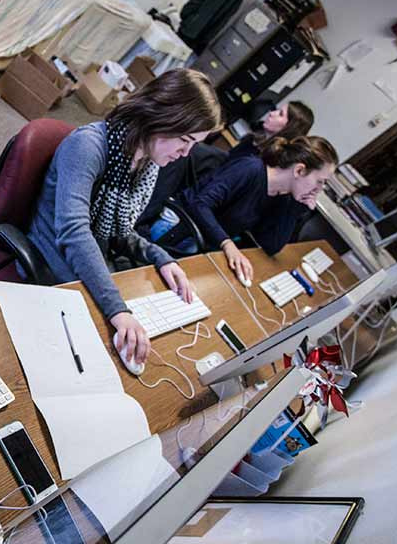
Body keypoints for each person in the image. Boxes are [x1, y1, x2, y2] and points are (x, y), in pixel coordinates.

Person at [25, 69, 223, 370]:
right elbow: (75, 233)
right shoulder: (89, 147)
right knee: (100, 357)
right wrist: (117, 309)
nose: (185, 153)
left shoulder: (143, 160)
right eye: (184, 140)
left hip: (88, 261)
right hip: (50, 256)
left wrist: (162, 257)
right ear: (161, 117)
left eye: (194, 144)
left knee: (144, 337)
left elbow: (118, 232)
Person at [169, 135, 338, 282]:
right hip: (178, 229)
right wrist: (227, 244)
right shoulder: (250, 169)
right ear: (300, 170)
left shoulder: (282, 196)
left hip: (206, 244)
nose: (320, 189)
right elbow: (199, 205)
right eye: (320, 181)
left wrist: (295, 207)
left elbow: (271, 245)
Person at [227, 100, 314, 160]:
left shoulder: (268, 161)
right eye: (277, 110)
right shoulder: (254, 138)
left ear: (290, 128)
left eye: (280, 114)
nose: (271, 113)